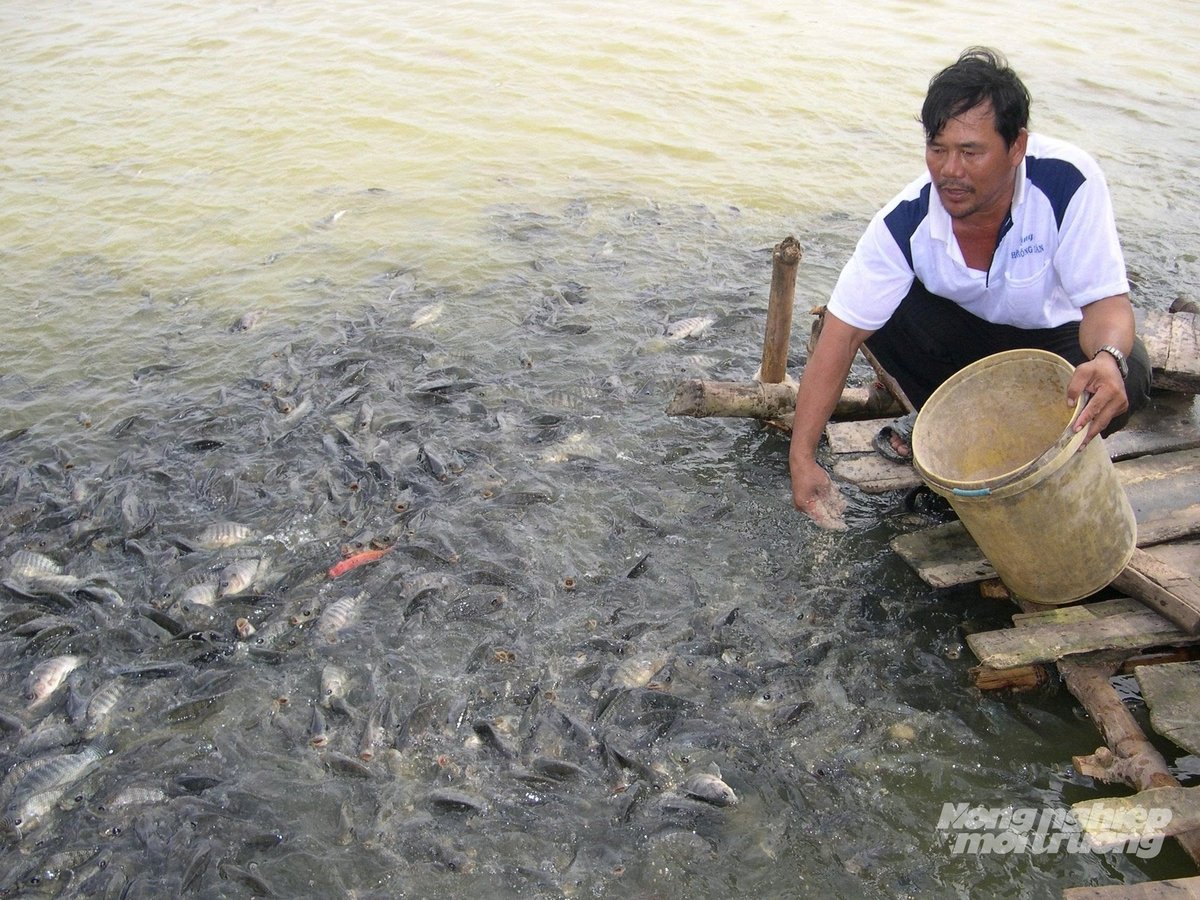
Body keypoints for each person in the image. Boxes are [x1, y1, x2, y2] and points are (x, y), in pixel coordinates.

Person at [789, 47, 1152, 530]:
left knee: (1132, 371)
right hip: (965, 349)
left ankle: (1044, 456)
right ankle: (956, 438)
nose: (949, 171)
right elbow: (840, 336)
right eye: (937, 149)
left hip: (1053, 345)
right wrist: (803, 457)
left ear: (1017, 146)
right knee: (876, 314)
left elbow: (1106, 305)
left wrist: (1106, 358)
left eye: (970, 152)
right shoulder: (905, 220)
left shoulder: (1068, 181)